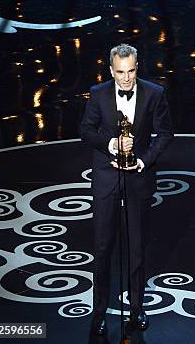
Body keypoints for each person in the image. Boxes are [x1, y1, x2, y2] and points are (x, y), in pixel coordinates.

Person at [80, 43, 173, 335]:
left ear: (137, 67)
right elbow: (86, 130)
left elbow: (165, 133)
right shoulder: (97, 94)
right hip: (106, 179)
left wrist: (143, 161)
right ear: (111, 70)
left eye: (131, 71)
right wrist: (111, 144)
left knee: (136, 249)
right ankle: (98, 313)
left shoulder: (154, 93)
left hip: (137, 180)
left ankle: (137, 309)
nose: (126, 79)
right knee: (103, 247)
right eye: (120, 72)